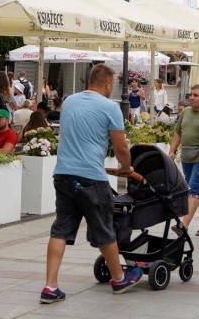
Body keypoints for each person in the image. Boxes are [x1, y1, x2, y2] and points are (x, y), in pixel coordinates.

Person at [41, 64, 141, 304]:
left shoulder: (69, 102)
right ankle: (118, 278)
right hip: (91, 177)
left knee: (61, 229)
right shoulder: (110, 108)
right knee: (104, 228)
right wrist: (126, 167)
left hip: (63, 174)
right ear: (107, 83)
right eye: (113, 84)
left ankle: (50, 286)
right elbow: (121, 147)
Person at [168, 85, 199, 236]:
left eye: (196, 95)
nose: (191, 98)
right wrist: (172, 151)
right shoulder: (186, 112)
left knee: (194, 189)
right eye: (190, 95)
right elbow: (178, 133)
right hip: (187, 157)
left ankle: (183, 226)